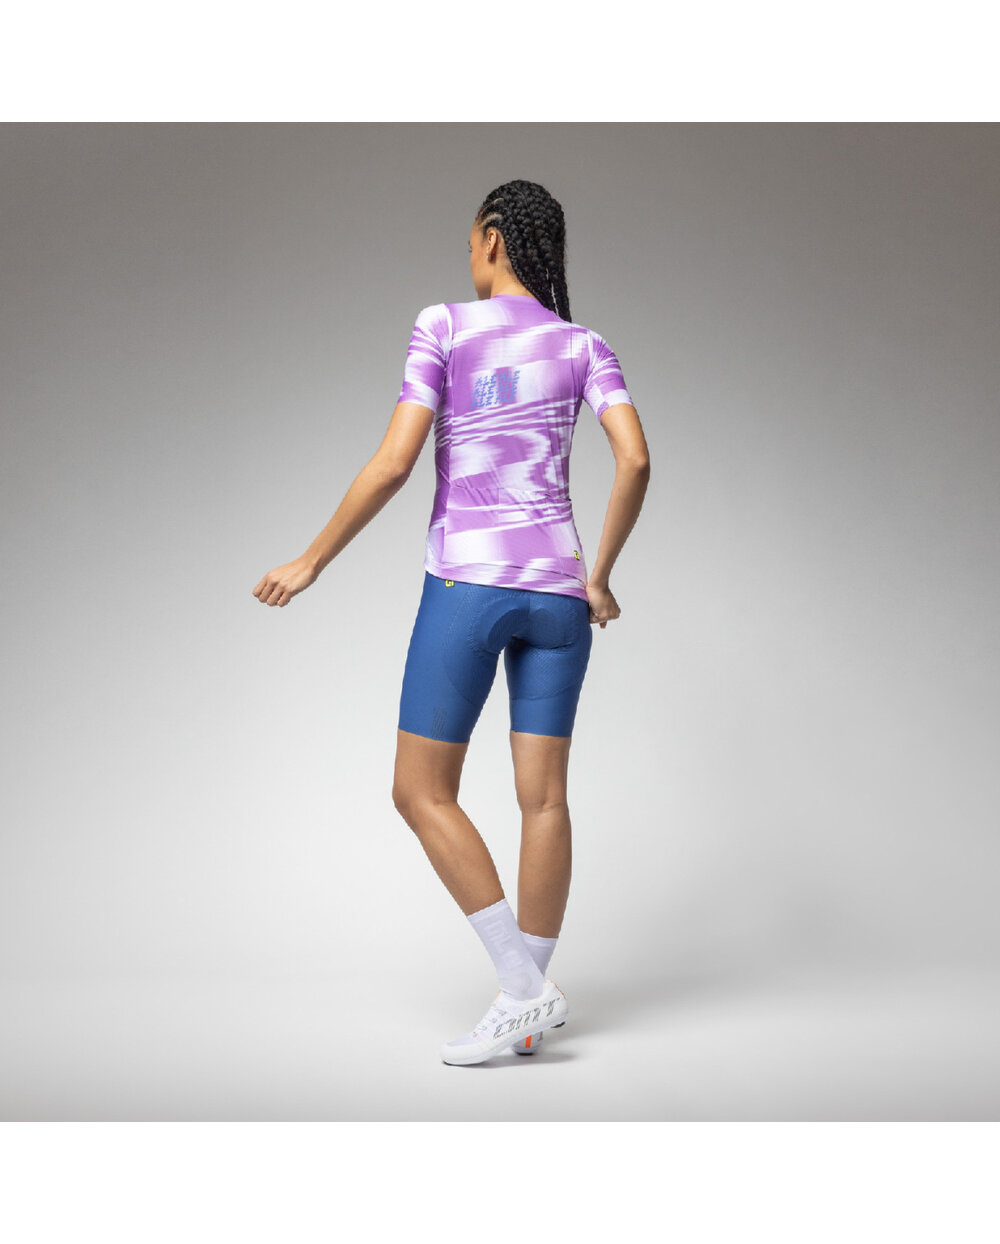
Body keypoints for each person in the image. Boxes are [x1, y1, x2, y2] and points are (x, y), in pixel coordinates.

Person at [252, 179, 650, 1065]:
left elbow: (394, 465)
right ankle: (528, 1008)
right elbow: (635, 460)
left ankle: (522, 988)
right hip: (560, 596)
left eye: (470, 241)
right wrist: (599, 577)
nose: (467, 256)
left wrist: (311, 560)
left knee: (420, 792)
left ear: (493, 239)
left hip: (469, 586)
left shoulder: (443, 326)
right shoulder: (585, 344)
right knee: (545, 799)